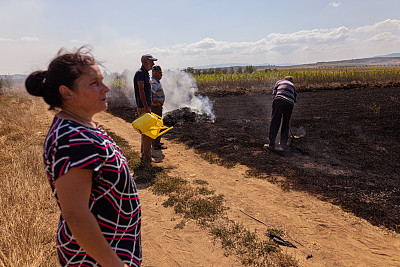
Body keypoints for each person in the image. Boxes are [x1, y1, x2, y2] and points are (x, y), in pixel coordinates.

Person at [25, 47, 141, 267]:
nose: (106, 88)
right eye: (94, 83)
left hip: (109, 247)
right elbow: (76, 214)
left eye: (102, 81)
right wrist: (113, 264)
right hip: (93, 259)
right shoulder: (72, 139)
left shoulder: (82, 125)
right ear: (67, 93)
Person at [133, 54, 157, 163]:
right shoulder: (140, 73)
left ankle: (144, 155)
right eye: (151, 61)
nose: (153, 64)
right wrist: (146, 108)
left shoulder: (145, 74)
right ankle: (147, 157)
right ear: (145, 62)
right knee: (147, 133)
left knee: (145, 132)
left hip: (145, 107)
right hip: (144, 108)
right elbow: (141, 90)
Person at [266, 76, 297, 151]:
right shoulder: (293, 86)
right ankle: (283, 144)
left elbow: (274, 95)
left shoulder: (279, 82)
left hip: (279, 100)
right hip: (290, 104)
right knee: (285, 123)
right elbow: (294, 100)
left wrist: (278, 107)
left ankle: (271, 145)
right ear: (291, 81)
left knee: (275, 122)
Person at [151, 65, 167, 150]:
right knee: (157, 125)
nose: (161, 75)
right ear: (156, 73)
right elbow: (151, 93)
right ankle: (156, 145)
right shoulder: (154, 82)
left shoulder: (155, 81)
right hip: (156, 107)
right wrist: (154, 103)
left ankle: (155, 142)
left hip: (157, 107)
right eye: (160, 73)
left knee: (156, 124)